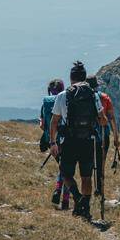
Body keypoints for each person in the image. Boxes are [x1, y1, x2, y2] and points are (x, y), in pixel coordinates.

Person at [49, 61, 105, 222]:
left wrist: (53, 143)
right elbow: (102, 120)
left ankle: (77, 197)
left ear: (71, 78)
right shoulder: (93, 95)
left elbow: (54, 121)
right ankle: (85, 207)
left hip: (69, 141)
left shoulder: (63, 95)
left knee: (66, 173)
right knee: (86, 176)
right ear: (84, 78)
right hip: (88, 140)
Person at [39, 78, 71, 210]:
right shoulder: (65, 100)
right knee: (67, 169)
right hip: (65, 139)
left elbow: (42, 125)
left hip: (51, 141)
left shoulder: (45, 103)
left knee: (62, 167)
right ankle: (65, 200)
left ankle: (59, 190)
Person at [86, 75, 120, 194]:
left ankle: (88, 188)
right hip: (103, 134)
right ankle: (100, 189)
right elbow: (111, 119)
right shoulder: (105, 98)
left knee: (89, 162)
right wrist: (116, 137)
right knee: (101, 162)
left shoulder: (83, 98)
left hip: (87, 134)